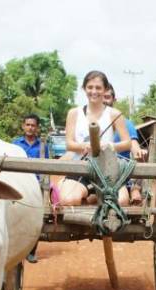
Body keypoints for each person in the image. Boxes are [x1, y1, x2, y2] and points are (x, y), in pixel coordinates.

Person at [56, 70, 131, 206]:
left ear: (105, 89)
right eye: (90, 87)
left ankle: (95, 198)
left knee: (121, 200)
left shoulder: (114, 114)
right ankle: (91, 198)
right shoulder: (74, 113)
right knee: (69, 199)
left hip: (107, 170)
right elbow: (69, 144)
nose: (94, 91)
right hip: (80, 168)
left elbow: (127, 143)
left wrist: (109, 146)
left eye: (98, 88)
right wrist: (85, 146)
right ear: (84, 88)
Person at [103, 85, 146, 204]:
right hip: (96, 173)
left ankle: (134, 188)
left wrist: (138, 152)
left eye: (107, 97)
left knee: (121, 200)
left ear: (114, 100)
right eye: (101, 97)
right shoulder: (89, 122)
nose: (104, 100)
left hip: (119, 175)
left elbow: (134, 145)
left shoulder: (126, 124)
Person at [12, 114, 43, 263]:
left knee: (36, 215)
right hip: (17, 182)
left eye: (33, 125)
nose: (30, 128)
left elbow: (47, 165)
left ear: (37, 128)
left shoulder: (42, 146)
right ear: (23, 126)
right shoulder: (15, 144)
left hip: (36, 186)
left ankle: (31, 251)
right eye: (28, 125)